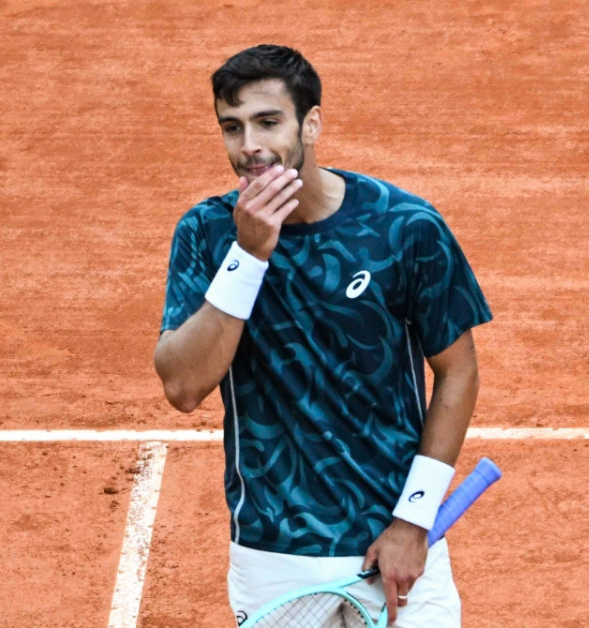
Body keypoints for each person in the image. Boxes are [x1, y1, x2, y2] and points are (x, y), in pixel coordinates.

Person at [154, 44, 492, 627]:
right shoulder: (206, 234)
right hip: (272, 551)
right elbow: (183, 386)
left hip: (397, 544)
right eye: (232, 127)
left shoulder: (403, 227)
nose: (249, 145)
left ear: (311, 124)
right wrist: (248, 256)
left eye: (268, 122)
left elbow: (458, 368)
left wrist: (413, 521)